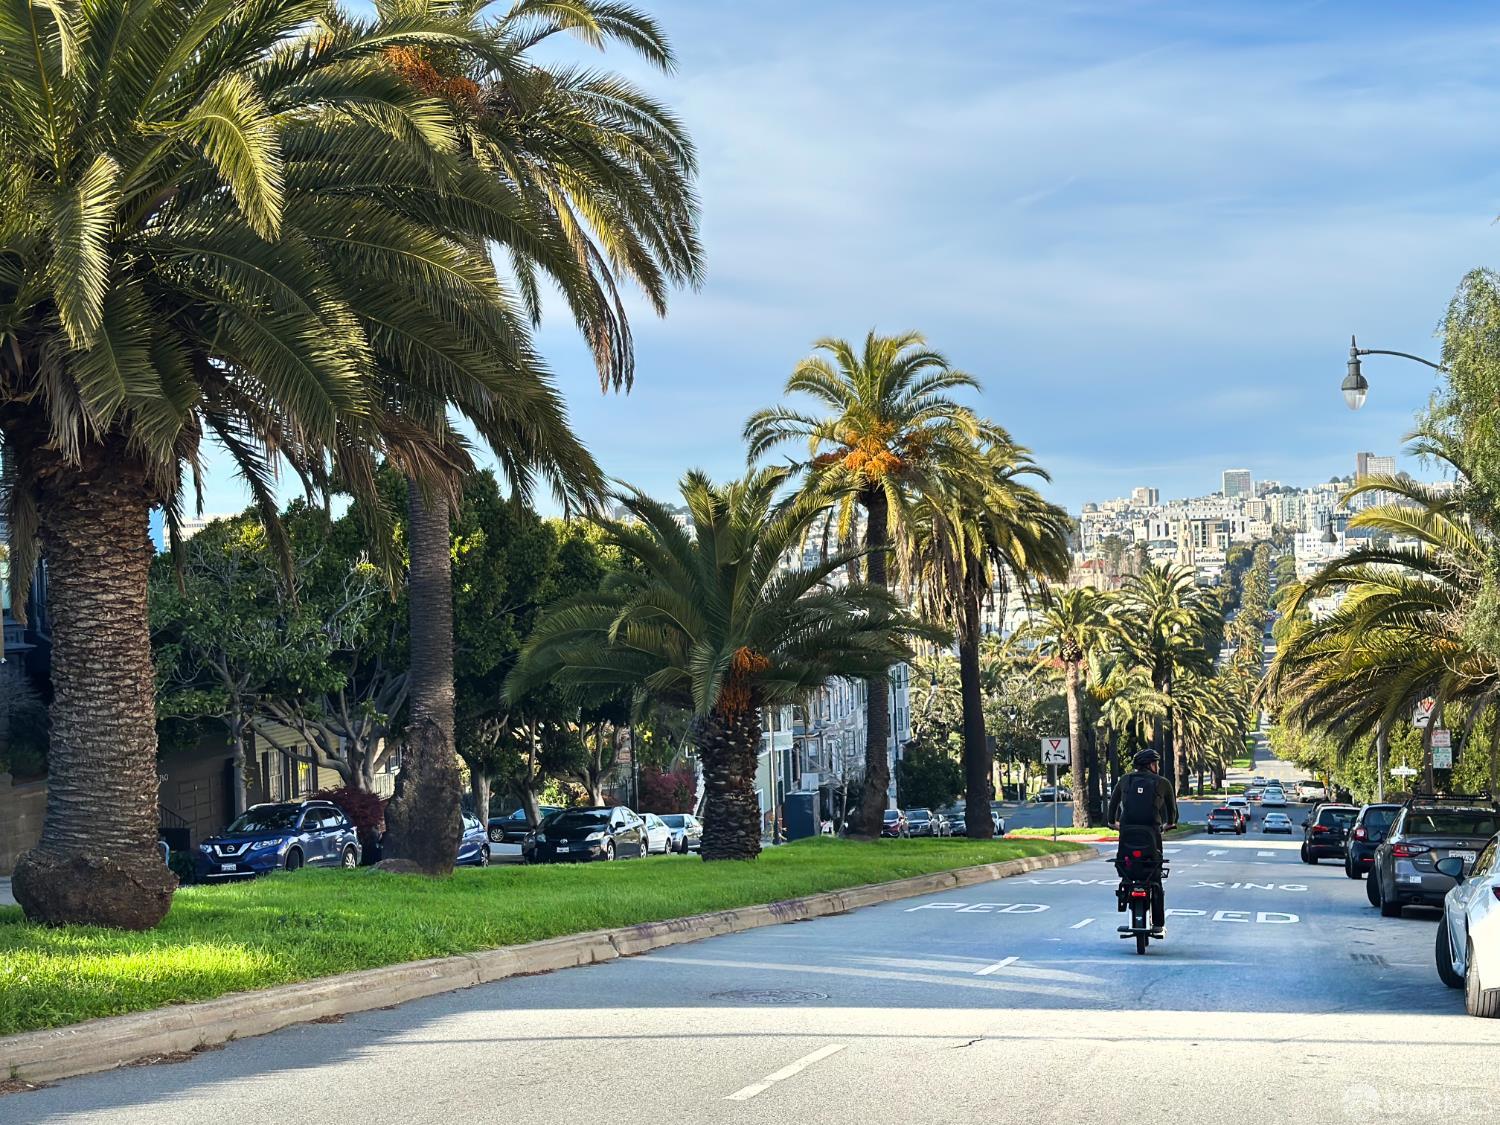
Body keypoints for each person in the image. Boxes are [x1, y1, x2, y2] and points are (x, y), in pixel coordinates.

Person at [1107, 748, 1178, 938]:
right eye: (1156, 763)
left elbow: (1111, 809)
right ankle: (1158, 923)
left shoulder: (1125, 780)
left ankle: (1126, 892)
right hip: (1152, 835)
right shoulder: (1162, 783)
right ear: (1151, 765)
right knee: (1154, 878)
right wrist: (1169, 824)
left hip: (1127, 835)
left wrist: (1114, 824)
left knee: (1126, 870)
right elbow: (1173, 814)